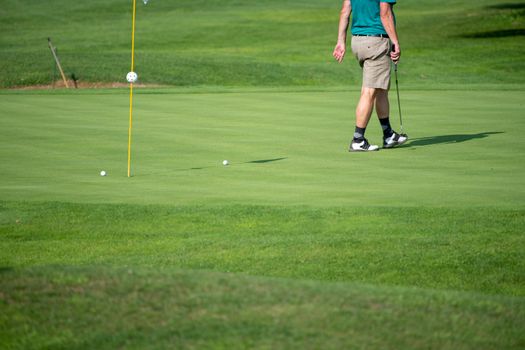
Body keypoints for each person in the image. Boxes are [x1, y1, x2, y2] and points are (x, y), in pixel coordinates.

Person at [333, 0, 407, 151]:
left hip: (358, 41)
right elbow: (385, 13)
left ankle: (388, 134)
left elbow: (345, 11)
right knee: (369, 91)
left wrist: (341, 41)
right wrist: (395, 42)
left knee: (380, 89)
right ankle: (358, 139)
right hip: (376, 41)